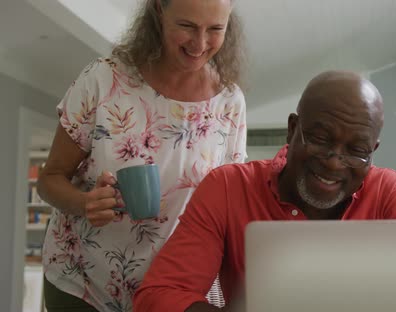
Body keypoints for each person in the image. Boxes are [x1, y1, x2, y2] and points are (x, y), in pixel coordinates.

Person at [133, 71, 396, 312]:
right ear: (292, 128)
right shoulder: (228, 188)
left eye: (357, 150)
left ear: (373, 152)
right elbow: (159, 295)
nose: (334, 162)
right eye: (320, 139)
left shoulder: (390, 193)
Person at [37, 0, 246, 311]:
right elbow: (49, 179)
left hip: (170, 290)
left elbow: (229, 207)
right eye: (187, 26)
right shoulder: (102, 79)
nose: (200, 44)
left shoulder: (229, 102)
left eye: (215, 29)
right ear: (159, 10)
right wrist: (85, 204)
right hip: (83, 282)